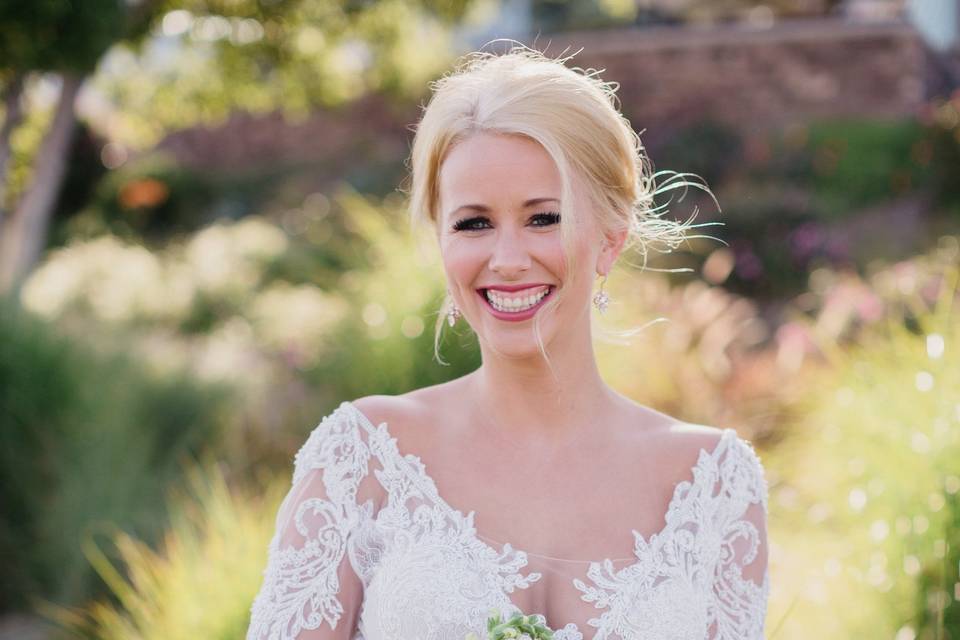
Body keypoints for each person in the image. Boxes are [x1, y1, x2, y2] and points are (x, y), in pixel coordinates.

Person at [246, 44, 770, 640]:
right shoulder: (360, 459)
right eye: (474, 223)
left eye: (544, 218)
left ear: (610, 237)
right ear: (442, 244)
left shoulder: (715, 484)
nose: (508, 259)